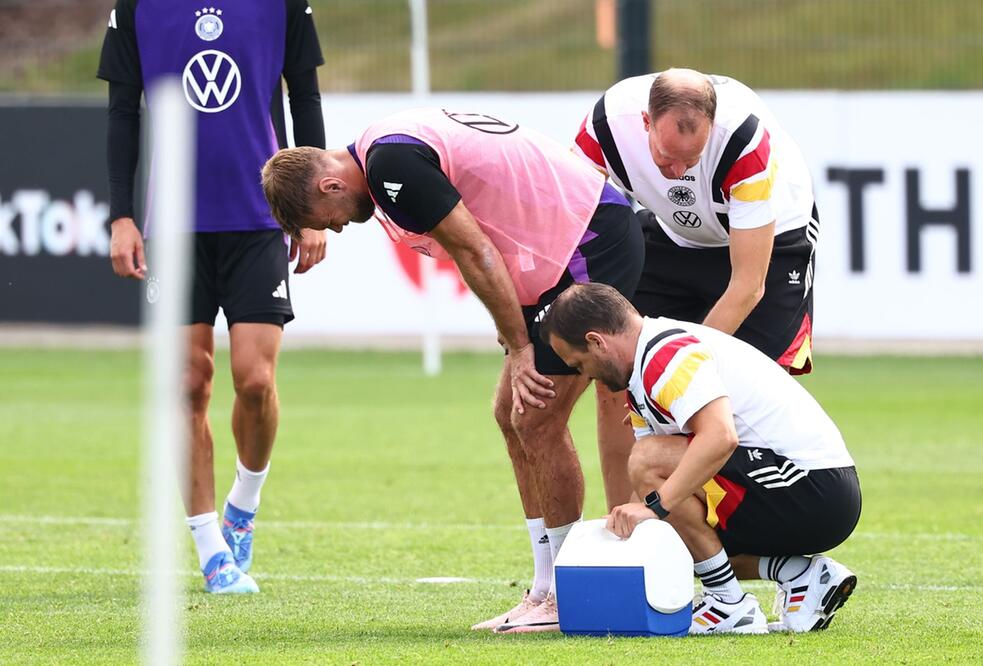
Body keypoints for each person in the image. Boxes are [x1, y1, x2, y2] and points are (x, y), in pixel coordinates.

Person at [260, 107, 644, 632]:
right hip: (558, 252)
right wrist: (516, 332)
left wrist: (519, 345)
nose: (338, 227)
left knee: (535, 418)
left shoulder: (391, 164)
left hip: (587, 240)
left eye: (329, 219)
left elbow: (476, 250)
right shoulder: (383, 153)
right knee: (510, 415)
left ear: (330, 185)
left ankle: (567, 592)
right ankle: (544, 588)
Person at [97, 0, 328, 593]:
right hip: (173, 226)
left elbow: (305, 98)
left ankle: (242, 508)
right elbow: (123, 113)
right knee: (187, 384)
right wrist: (121, 216)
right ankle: (209, 547)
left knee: (253, 380)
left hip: (257, 220)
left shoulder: (281, 6)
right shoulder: (137, 8)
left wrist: (311, 211)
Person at [540, 283, 860, 634]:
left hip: (816, 490)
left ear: (597, 341)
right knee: (672, 539)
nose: (585, 375)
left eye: (579, 363)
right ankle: (800, 574)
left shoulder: (667, 355)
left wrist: (654, 508)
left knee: (651, 471)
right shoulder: (641, 372)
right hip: (800, 490)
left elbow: (720, 437)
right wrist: (621, 536)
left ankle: (728, 603)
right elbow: (651, 487)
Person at [572, 67, 822, 508]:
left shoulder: (743, 142)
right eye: (666, 156)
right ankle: (623, 532)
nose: (679, 171)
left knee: (746, 399)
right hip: (673, 238)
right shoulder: (605, 128)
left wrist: (676, 366)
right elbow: (571, 222)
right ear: (645, 122)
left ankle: (760, 552)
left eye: (692, 157)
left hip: (771, 240)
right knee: (615, 372)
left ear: (712, 125)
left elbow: (748, 285)